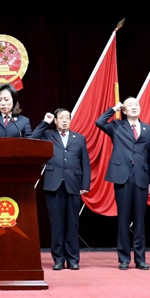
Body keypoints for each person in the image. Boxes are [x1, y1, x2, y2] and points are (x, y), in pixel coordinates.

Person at [95, 98, 150, 270]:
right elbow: (99, 122)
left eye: (136, 105)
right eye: (130, 105)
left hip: (141, 177)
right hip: (122, 176)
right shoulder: (116, 126)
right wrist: (113, 108)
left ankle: (140, 259)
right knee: (123, 219)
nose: (134, 107)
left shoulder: (149, 130)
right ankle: (124, 258)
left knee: (140, 220)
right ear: (124, 110)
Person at [31, 108, 90, 270]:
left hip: (73, 184)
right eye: (61, 118)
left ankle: (73, 259)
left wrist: (85, 185)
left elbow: (85, 163)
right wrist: (45, 122)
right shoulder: (48, 135)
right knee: (57, 224)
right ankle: (58, 259)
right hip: (54, 184)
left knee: (72, 224)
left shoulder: (79, 138)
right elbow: (32, 138)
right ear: (56, 121)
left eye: (67, 118)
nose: (64, 120)